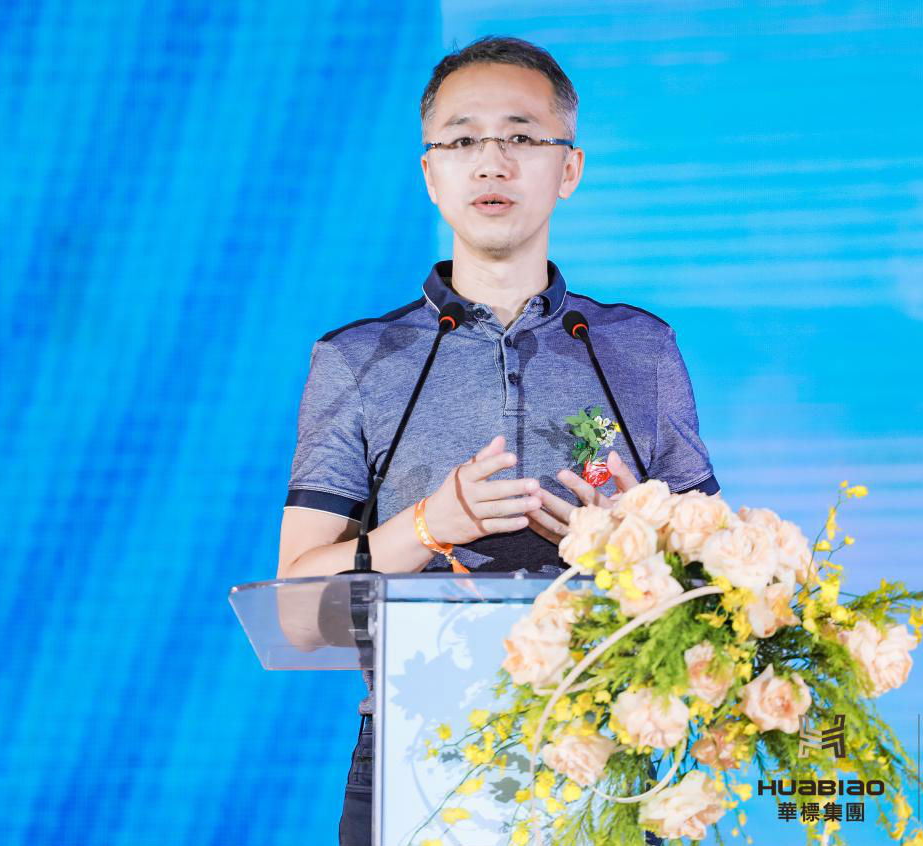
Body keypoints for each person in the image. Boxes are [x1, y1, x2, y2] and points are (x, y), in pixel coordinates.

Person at [276, 35, 719, 846]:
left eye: (520, 135)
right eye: (463, 140)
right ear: (430, 174)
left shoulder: (637, 349)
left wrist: (631, 550)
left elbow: (723, 593)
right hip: (414, 756)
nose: (491, 161)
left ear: (568, 169)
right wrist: (424, 527)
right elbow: (299, 614)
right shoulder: (356, 359)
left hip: (605, 755)